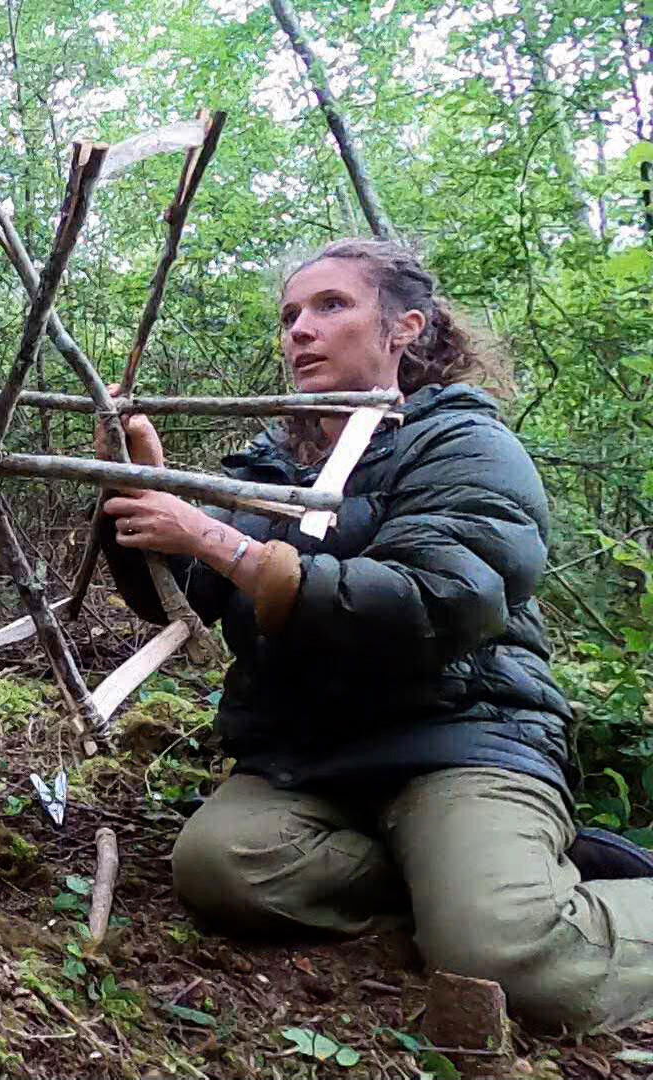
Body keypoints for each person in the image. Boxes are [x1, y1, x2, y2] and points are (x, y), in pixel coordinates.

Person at [96, 237, 653, 1034]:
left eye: (331, 305)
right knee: (222, 869)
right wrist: (138, 485)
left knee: (508, 957)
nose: (300, 329)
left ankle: (500, 896)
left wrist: (220, 540)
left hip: (459, 738)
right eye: (291, 314)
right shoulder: (269, 467)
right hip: (311, 754)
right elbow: (184, 596)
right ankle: (460, 882)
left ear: (405, 327)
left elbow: (438, 600)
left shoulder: (463, 444)